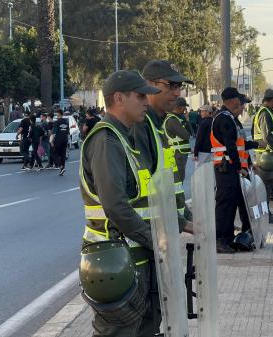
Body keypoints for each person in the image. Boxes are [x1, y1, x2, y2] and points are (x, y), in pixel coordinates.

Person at [79, 69, 168, 337]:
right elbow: (116, 207)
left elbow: (142, 201)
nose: (146, 102)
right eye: (140, 96)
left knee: (145, 329)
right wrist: (156, 240)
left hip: (133, 260)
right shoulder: (107, 141)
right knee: (119, 332)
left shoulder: (126, 138)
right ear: (119, 98)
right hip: (114, 263)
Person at [134, 60, 193, 223]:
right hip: (149, 233)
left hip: (165, 232)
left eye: (179, 86)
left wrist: (188, 218)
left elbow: (169, 186)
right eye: (171, 85)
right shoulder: (141, 127)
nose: (177, 93)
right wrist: (184, 224)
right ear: (148, 85)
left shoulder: (158, 124)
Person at [210, 87, 258, 253]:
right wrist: (240, 169)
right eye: (238, 101)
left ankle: (228, 238)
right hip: (226, 167)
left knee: (231, 205)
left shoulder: (229, 118)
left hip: (230, 168)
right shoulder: (224, 119)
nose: (241, 105)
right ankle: (220, 240)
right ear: (232, 101)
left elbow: (239, 145)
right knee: (225, 205)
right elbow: (230, 146)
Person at [252, 89, 273, 223]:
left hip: (267, 154)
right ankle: (264, 215)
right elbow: (267, 136)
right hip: (265, 156)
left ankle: (265, 212)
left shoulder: (268, 112)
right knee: (264, 188)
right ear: (271, 100)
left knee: (267, 187)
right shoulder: (265, 113)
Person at [163, 97, 191, 183]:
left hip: (179, 154)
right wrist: (186, 120)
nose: (185, 110)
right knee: (179, 178)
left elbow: (190, 133)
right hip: (178, 154)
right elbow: (186, 135)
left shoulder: (176, 119)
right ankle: (178, 196)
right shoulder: (173, 120)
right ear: (180, 107)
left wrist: (187, 120)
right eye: (184, 107)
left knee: (178, 178)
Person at [52, 109, 69, 176]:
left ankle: (60, 166)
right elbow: (67, 132)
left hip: (58, 140)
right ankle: (62, 169)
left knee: (54, 153)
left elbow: (54, 133)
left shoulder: (56, 122)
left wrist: (51, 141)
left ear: (58, 114)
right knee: (63, 155)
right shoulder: (66, 122)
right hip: (65, 140)